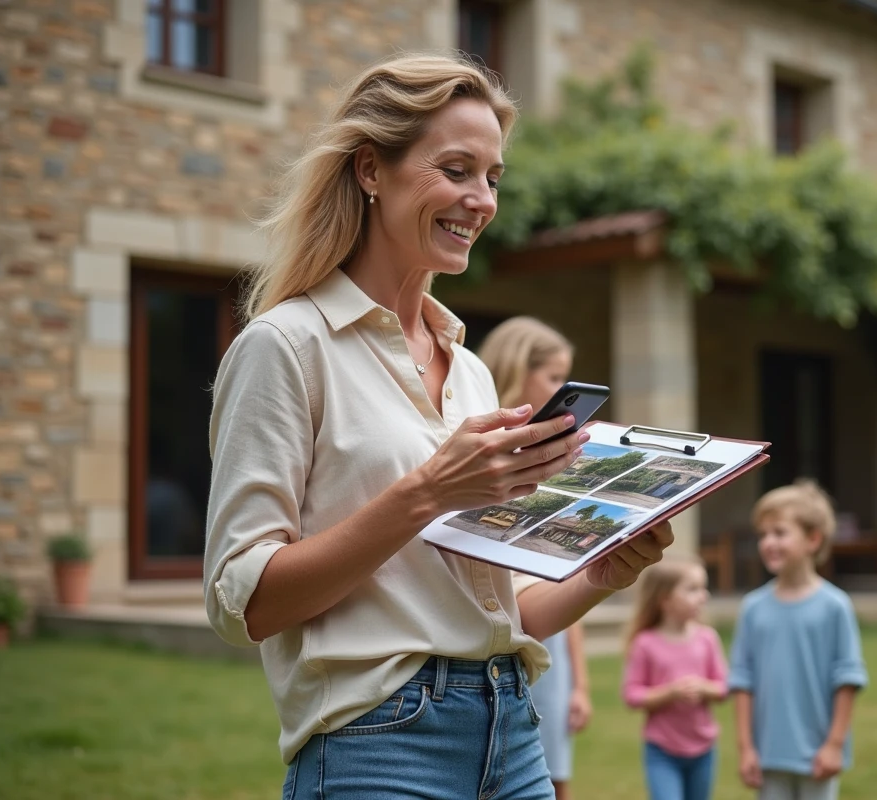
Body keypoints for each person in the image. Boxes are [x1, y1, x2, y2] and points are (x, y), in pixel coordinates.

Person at [202, 54, 673, 800]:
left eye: (492, 177)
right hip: (378, 749)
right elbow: (245, 604)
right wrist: (426, 492)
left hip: (515, 734)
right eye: (456, 170)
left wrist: (603, 574)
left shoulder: (472, 372)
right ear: (370, 171)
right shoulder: (286, 348)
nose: (481, 200)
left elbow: (499, 610)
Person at [477, 316, 593, 800]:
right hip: (500, 637)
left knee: (551, 778)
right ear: (515, 369)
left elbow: (561, 575)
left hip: (552, 628)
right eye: (553, 377)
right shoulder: (479, 451)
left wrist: (581, 682)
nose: (563, 391)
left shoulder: (558, 459)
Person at [729, 481, 868, 800]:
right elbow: (742, 681)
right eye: (763, 535)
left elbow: (847, 679)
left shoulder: (835, 606)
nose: (768, 543)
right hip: (768, 755)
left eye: (779, 532)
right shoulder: (752, 608)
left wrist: (834, 745)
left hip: (818, 755)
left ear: (813, 539)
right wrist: (746, 748)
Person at [622, 556, 728, 800]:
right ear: (665, 600)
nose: (704, 596)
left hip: (704, 750)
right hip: (662, 751)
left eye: (704, 588)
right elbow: (632, 695)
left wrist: (703, 688)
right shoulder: (645, 644)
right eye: (693, 589)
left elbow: (723, 688)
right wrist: (670, 692)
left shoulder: (707, 639)